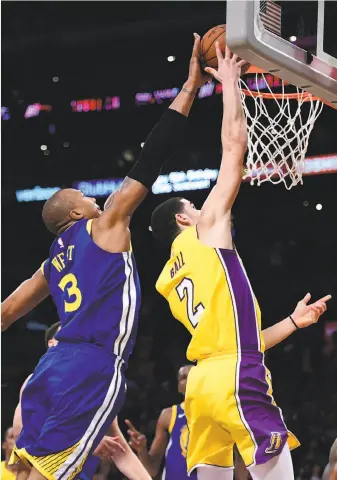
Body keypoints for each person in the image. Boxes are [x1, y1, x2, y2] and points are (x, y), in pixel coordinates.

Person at [2, 34, 210, 480]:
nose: (92, 196)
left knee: (24, 472)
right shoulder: (106, 225)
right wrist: (190, 88)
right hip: (90, 367)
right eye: (82, 195)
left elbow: (5, 313)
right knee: (51, 474)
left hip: (49, 368)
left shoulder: (52, 264)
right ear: (75, 212)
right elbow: (151, 159)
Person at [151, 43, 332, 480]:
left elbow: (233, 339)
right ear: (183, 218)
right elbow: (234, 153)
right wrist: (231, 85)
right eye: (194, 206)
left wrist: (291, 322)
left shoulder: (166, 280)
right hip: (236, 374)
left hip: (202, 385)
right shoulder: (204, 230)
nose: (203, 208)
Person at [12, 322, 151, 480]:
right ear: (52, 345)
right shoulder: (35, 381)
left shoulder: (99, 390)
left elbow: (121, 451)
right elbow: (21, 435)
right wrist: (86, 441)